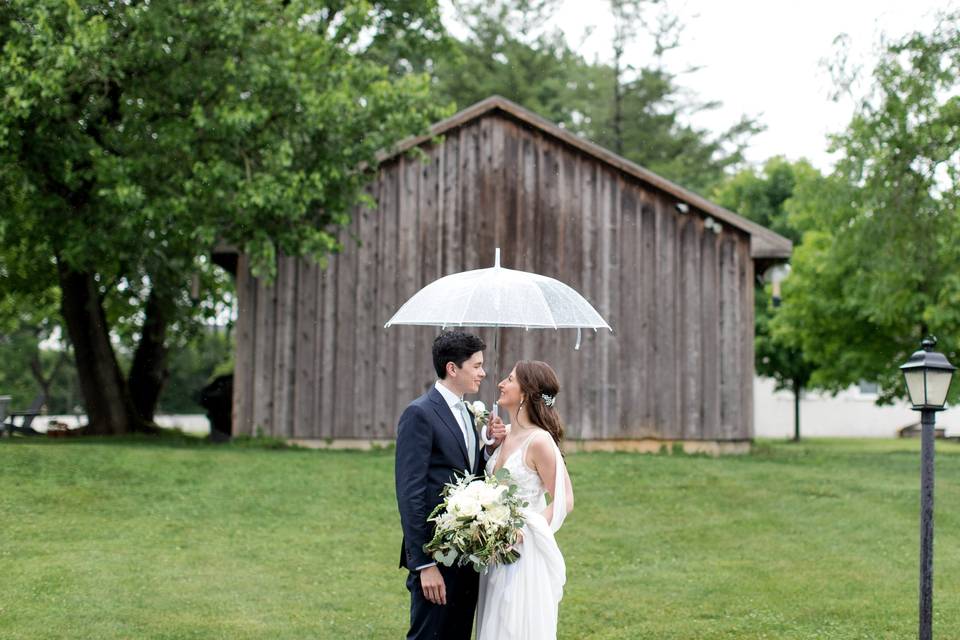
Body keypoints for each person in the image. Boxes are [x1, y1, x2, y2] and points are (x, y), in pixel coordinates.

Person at [395, 331, 507, 640]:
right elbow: (410, 493)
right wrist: (423, 564)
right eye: (476, 365)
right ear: (452, 368)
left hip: (465, 557)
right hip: (435, 555)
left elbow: (467, 476)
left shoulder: (468, 413)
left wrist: (488, 450)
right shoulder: (419, 414)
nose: (483, 373)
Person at [476, 360, 575, 640]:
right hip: (494, 554)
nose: (501, 383)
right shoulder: (503, 435)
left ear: (525, 393)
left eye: (509, 379)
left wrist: (523, 530)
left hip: (523, 555)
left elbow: (565, 498)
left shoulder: (540, 441)